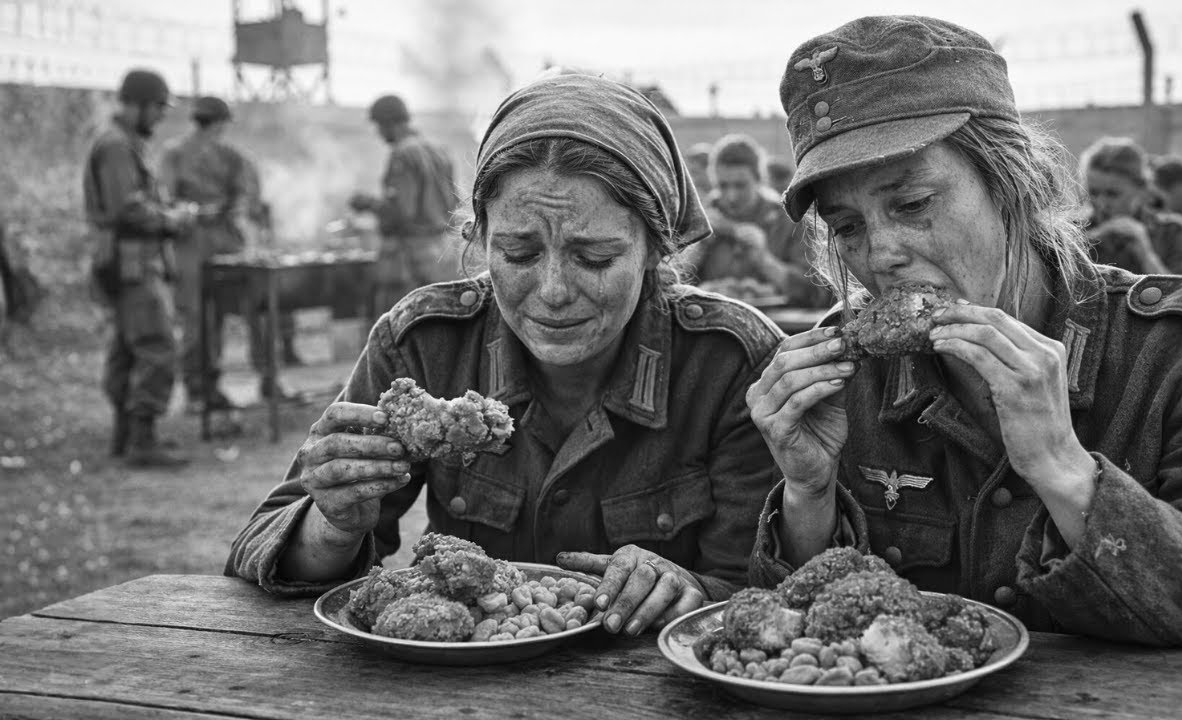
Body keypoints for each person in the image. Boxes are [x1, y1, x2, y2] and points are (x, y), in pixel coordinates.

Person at [747, 15, 1182, 645]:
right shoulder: (842, 376)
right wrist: (809, 494)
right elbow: (802, 649)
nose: (881, 254)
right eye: (847, 227)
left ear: (1013, 183)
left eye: (911, 204)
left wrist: (1063, 468)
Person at [227, 74, 783, 636]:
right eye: (518, 253)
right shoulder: (424, 344)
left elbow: (766, 586)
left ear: (654, 251)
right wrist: (332, 527)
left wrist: (692, 590)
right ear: (480, 239)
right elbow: (258, 548)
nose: (553, 291)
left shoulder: (729, 364)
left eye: (594, 258)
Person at [84, 69, 196, 467]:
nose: (161, 116)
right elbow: (127, 210)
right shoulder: (117, 146)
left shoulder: (125, 143)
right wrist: (173, 219)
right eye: (157, 107)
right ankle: (142, 439)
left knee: (127, 349)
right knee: (157, 345)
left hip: (129, 262)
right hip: (133, 264)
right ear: (137, 105)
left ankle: (125, 434)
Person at [160, 96, 256, 410]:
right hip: (193, 240)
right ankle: (197, 390)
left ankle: (208, 388)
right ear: (220, 123)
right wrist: (195, 211)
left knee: (212, 317)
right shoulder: (177, 154)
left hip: (218, 241)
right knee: (197, 319)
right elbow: (167, 199)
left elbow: (242, 196)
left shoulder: (227, 156)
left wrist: (229, 210)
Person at [685, 134, 830, 307]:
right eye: (723, 186)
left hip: (779, 321)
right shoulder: (703, 215)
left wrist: (764, 261)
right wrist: (697, 246)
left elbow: (817, 293)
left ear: (759, 179)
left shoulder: (789, 219)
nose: (731, 196)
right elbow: (673, 286)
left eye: (740, 185)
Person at [350, 94, 462, 313]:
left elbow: (402, 212)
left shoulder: (403, 154)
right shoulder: (439, 150)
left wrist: (367, 203)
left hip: (411, 259)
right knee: (440, 318)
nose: (379, 133)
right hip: (444, 252)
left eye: (379, 126)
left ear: (388, 123)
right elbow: (454, 202)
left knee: (401, 322)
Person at [1079, 136, 1182, 276]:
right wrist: (1086, 244)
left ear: (1142, 190)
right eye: (1093, 193)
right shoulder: (1072, 231)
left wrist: (1146, 255)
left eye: (1112, 194)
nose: (1101, 204)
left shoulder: (1176, 235)